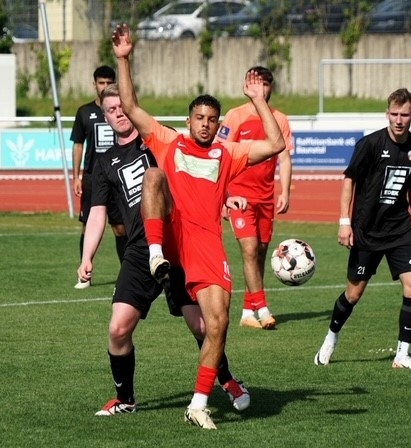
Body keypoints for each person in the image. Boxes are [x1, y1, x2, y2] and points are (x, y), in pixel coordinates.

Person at [112, 24, 286, 430]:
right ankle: (155, 254)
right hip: (169, 238)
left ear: (217, 122)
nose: (205, 124)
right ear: (188, 120)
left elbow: (275, 144)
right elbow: (130, 105)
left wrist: (259, 101)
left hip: (205, 243)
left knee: (216, 325)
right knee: (153, 176)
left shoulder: (228, 153)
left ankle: (198, 404)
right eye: (199, 118)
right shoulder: (169, 141)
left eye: (211, 119)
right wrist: (123, 59)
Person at [77, 83, 251, 416]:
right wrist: (87, 256)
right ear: (104, 116)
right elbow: (98, 211)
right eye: (111, 110)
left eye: (122, 107)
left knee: (205, 327)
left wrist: (226, 197)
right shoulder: (104, 161)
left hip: (182, 241)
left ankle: (226, 379)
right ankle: (125, 399)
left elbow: (202, 170)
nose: (119, 114)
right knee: (117, 329)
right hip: (141, 249)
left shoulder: (159, 140)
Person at [314, 87, 411, 371]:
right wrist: (344, 222)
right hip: (367, 231)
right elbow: (349, 180)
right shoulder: (370, 144)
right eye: (394, 114)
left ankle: (402, 355)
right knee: (353, 294)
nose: (399, 120)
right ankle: (331, 337)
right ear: (387, 113)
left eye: (404, 115)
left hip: (400, 229)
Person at [215, 66, 293, 330]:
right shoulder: (235, 116)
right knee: (248, 250)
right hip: (240, 197)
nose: (261, 89)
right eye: (256, 83)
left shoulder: (279, 118)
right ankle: (263, 309)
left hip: (266, 197)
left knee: (259, 254)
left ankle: (247, 312)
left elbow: (284, 157)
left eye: (266, 84)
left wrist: (285, 190)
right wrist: (223, 196)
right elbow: (220, 154)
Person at [70, 65, 126, 289]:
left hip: (117, 178)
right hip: (93, 178)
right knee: (88, 226)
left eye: (108, 82)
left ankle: (127, 275)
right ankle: (85, 274)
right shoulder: (84, 112)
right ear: (94, 84)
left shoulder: (122, 110)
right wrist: (76, 176)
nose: (104, 86)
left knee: (120, 228)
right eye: (101, 83)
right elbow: (78, 144)